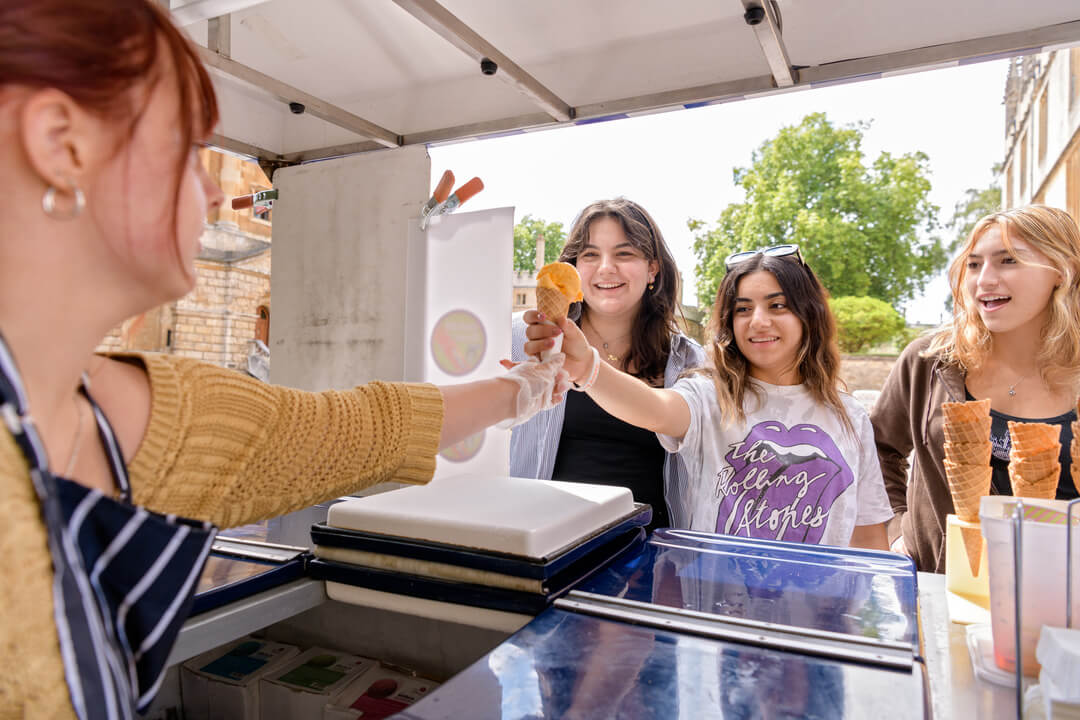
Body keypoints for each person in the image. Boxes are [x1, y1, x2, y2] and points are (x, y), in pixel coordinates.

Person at [0, 2, 568, 717]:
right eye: (184, 145)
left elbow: (352, 430)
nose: (212, 189)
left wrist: (525, 390)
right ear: (62, 143)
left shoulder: (131, 411)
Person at [525, 245, 893, 549]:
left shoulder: (850, 415)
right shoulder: (710, 396)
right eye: (743, 309)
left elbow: (868, 535)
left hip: (816, 624)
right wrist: (588, 366)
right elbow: (655, 408)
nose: (758, 321)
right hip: (716, 617)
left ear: (808, 315)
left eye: (777, 305)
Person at [871, 205, 1080, 573]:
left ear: (1063, 271)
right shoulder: (930, 361)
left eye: (1008, 261)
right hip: (941, 590)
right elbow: (876, 448)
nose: (984, 280)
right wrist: (895, 529)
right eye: (973, 264)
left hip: (1062, 598)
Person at [509, 198, 705, 530]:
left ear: (652, 269)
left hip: (649, 553)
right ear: (573, 270)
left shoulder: (687, 360)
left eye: (624, 253)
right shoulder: (525, 339)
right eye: (590, 255)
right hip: (544, 541)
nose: (605, 267)